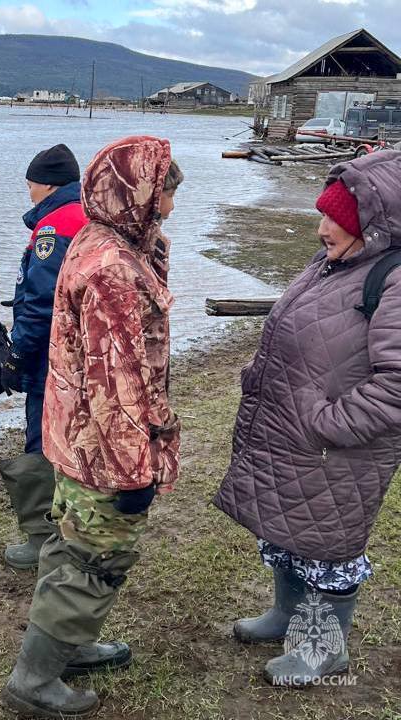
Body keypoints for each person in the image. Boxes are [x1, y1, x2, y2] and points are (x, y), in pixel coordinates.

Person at [1, 136, 183, 718]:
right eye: (165, 194)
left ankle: (70, 647)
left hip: (78, 437)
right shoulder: (111, 268)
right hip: (105, 447)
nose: (170, 208)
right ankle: (33, 681)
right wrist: (134, 472)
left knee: (69, 542)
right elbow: (117, 380)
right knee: (96, 555)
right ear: (137, 194)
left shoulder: (97, 242)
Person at [215, 150, 401, 687]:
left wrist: (329, 423)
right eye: (322, 215)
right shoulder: (334, 261)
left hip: (339, 448)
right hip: (295, 437)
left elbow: (397, 383)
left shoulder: (393, 279)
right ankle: (286, 617)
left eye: (336, 220)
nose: (321, 228)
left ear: (375, 225)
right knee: (288, 531)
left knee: (329, 547)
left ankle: (323, 650)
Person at [0, 143, 89, 570]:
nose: (29, 192)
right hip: (83, 355)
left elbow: (40, 301)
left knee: (41, 441)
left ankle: (42, 538)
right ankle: (78, 528)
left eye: (30, 184)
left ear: (47, 184)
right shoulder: (91, 217)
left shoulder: (55, 226)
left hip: (51, 356)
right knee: (74, 438)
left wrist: (18, 351)